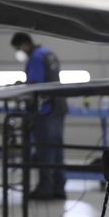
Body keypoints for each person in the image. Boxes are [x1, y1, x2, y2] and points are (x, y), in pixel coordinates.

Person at [10, 32, 67, 200]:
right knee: (57, 150)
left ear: (25, 44)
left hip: (45, 109)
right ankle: (59, 188)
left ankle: (45, 190)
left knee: (45, 150)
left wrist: (19, 86)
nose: (20, 52)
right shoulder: (48, 53)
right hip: (58, 106)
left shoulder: (35, 57)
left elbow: (35, 84)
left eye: (18, 48)